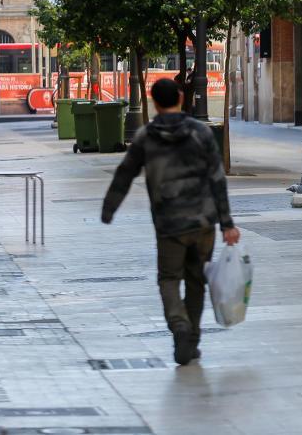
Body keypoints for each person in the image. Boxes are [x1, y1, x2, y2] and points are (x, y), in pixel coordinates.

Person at [101, 78, 240, 366]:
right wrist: (227, 223)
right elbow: (217, 179)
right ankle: (192, 340)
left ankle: (179, 326)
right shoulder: (201, 133)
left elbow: (125, 173)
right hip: (203, 223)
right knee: (196, 281)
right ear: (180, 96)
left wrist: (109, 209)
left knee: (168, 279)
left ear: (153, 102)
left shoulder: (145, 136)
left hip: (168, 224)